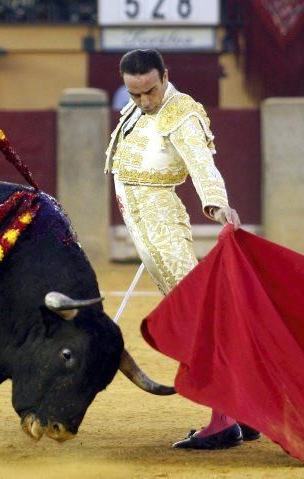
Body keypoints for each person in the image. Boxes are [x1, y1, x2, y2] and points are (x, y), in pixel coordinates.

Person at [103, 49, 251, 450]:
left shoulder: (181, 112)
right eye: (134, 94)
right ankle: (244, 411)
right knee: (197, 313)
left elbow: (203, 165)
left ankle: (223, 421)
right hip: (145, 223)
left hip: (161, 223)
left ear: (166, 76)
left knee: (195, 317)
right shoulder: (138, 109)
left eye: (150, 91)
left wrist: (217, 203)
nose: (144, 101)